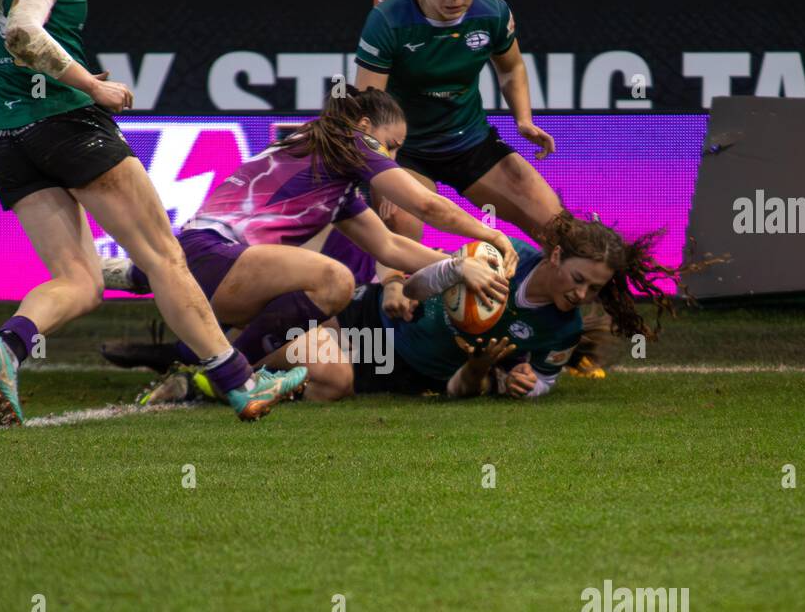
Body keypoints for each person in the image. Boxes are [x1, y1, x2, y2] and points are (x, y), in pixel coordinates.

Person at [0, 0, 305, 425]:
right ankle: (242, 383)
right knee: (165, 257)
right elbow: (21, 31)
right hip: (68, 126)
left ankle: (8, 347)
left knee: (80, 282)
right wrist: (89, 86)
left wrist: (61, 72)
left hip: (8, 137)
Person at [96, 86, 511, 401]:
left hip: (200, 262)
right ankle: (226, 375)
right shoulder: (354, 143)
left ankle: (151, 291)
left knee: (316, 305)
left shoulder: (327, 168)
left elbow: (390, 248)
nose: (393, 158)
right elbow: (425, 204)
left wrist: (457, 264)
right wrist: (489, 234)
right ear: (366, 129)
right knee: (335, 281)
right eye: (393, 145)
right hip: (215, 257)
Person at [353, 0, 613, 378]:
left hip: (469, 141)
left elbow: (510, 69)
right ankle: (398, 323)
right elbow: (367, 109)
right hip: (407, 150)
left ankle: (571, 345)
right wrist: (384, 167)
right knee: (399, 220)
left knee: (561, 228)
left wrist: (524, 120)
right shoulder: (389, 19)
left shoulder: (492, 13)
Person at [261, 211, 684, 402]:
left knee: (333, 382)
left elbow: (541, 383)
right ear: (555, 258)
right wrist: (456, 269)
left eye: (594, 289)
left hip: (407, 370)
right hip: (373, 315)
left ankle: (236, 381)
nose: (581, 295)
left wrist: (522, 383)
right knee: (293, 330)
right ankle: (234, 361)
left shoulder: (563, 331)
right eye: (578, 280)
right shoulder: (505, 255)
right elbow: (416, 289)